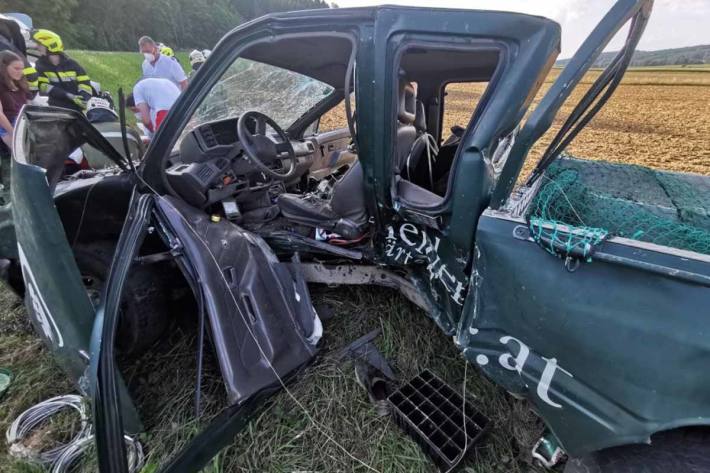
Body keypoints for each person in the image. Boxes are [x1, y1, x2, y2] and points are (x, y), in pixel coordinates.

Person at [32, 29, 92, 112]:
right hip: (55, 108)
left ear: (50, 46)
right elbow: (43, 86)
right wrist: (68, 95)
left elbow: (85, 84)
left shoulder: (72, 64)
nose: (36, 47)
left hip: (76, 109)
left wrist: (83, 97)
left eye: (39, 44)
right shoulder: (40, 65)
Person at [0, 50, 31, 149]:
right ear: (4, 67)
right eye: (16, 68)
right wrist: (13, 132)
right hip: (8, 125)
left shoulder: (20, 83)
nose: (20, 72)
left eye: (22, 69)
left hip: (23, 121)